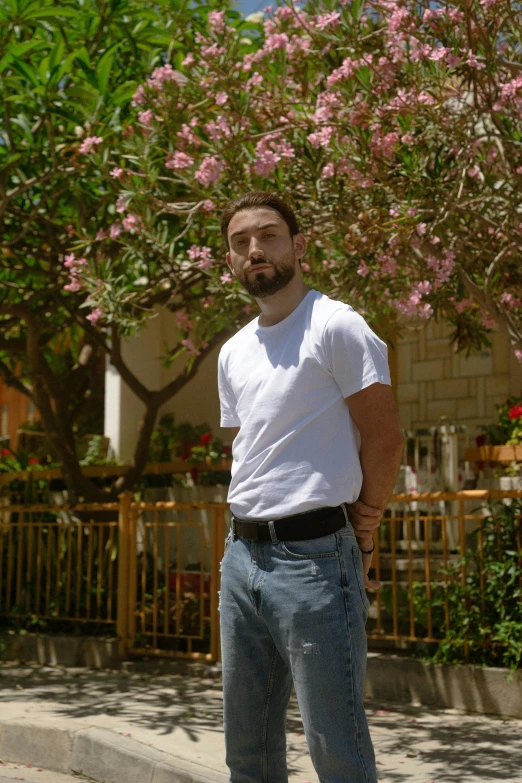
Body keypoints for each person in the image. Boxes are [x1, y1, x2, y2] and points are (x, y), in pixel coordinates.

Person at [217, 191, 403, 783]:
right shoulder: (233, 351)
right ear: (230, 261)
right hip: (240, 557)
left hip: (317, 560)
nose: (255, 250)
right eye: (240, 242)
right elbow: (253, 446)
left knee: (337, 750)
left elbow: (385, 437)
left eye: (268, 235)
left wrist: (367, 523)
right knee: (247, 752)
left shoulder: (336, 326)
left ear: (298, 246)